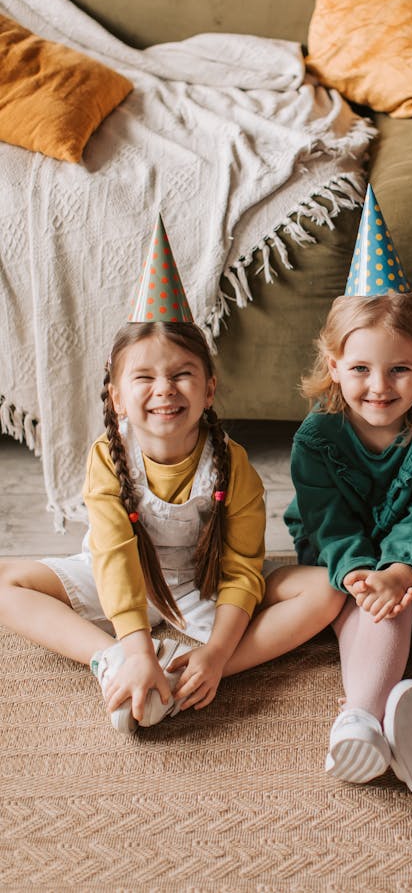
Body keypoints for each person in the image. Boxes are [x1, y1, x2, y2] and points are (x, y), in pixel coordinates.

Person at [0, 215, 344, 733]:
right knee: (6, 584)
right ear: (117, 397)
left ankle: (201, 671)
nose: (165, 389)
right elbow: (114, 561)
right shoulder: (105, 459)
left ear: (208, 390)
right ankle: (111, 661)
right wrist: (133, 646)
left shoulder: (233, 466)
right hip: (119, 584)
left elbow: (241, 570)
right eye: (145, 377)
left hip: (198, 589)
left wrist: (219, 652)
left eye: (182, 374)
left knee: (327, 591)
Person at [284, 186, 412, 797]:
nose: (379, 387)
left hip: (409, 561)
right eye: (360, 368)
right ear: (333, 364)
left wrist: (398, 571)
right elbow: (327, 520)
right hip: (337, 554)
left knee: (398, 600)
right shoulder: (317, 437)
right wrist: (362, 571)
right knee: (356, 601)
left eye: (399, 370)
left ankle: (357, 720)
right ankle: (375, 718)